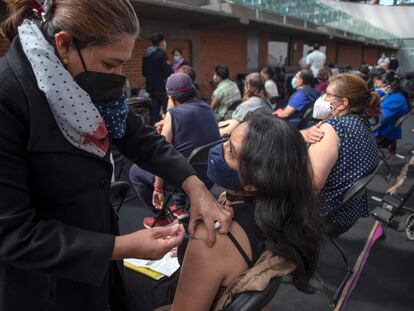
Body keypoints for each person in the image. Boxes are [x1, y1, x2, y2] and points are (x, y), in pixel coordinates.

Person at [0, 1, 232, 310]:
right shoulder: (9, 97)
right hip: (46, 286)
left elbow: (141, 139)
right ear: (64, 44)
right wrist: (121, 247)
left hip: (98, 268)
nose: (119, 77)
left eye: (124, 63)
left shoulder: (85, 84)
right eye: (111, 65)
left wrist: (195, 187)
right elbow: (13, 233)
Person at [134, 112, 323, 311]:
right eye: (226, 140)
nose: (219, 148)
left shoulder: (212, 236)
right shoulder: (285, 211)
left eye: (230, 152)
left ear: (251, 183)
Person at [129, 73, 221, 228]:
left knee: (135, 172)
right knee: (182, 153)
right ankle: (180, 207)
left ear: (171, 97)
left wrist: (158, 188)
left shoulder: (174, 114)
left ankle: (161, 217)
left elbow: (160, 153)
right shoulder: (207, 108)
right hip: (208, 177)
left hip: (185, 180)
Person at [309, 73, 380, 231]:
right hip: (347, 214)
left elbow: (311, 185)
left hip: (323, 216)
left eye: (327, 94)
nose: (323, 98)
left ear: (342, 103)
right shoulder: (362, 124)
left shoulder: (333, 128)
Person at [218, 73, 273, 137]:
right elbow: (240, 119)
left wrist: (212, 132)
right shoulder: (267, 102)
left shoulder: (246, 106)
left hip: (248, 140)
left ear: (248, 86)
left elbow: (228, 131)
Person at [142, 32, 174, 125]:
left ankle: (153, 130)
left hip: (151, 88)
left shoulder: (146, 54)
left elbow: (143, 72)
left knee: (154, 113)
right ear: (161, 42)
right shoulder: (161, 54)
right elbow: (167, 71)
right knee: (166, 110)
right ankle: (167, 129)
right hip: (162, 87)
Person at [373, 72, 409, 149]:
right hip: (382, 130)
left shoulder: (396, 100)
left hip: (382, 135)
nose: (376, 89)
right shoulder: (394, 96)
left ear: (389, 87)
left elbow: (379, 119)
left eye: (379, 87)